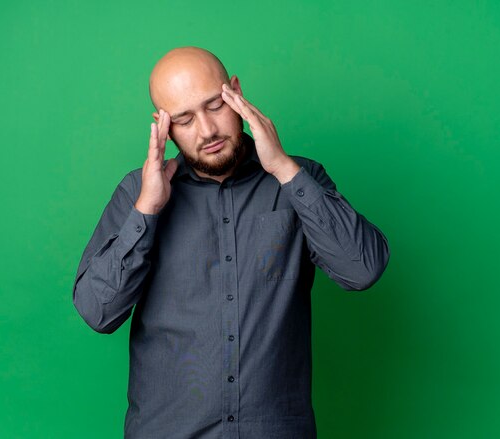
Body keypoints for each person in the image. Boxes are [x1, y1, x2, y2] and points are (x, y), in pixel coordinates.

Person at [73, 46, 390, 439]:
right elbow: (97, 312)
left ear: (235, 93)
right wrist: (147, 211)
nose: (206, 131)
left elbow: (362, 269)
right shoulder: (137, 193)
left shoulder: (299, 178)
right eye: (185, 119)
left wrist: (284, 169)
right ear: (163, 127)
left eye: (214, 106)